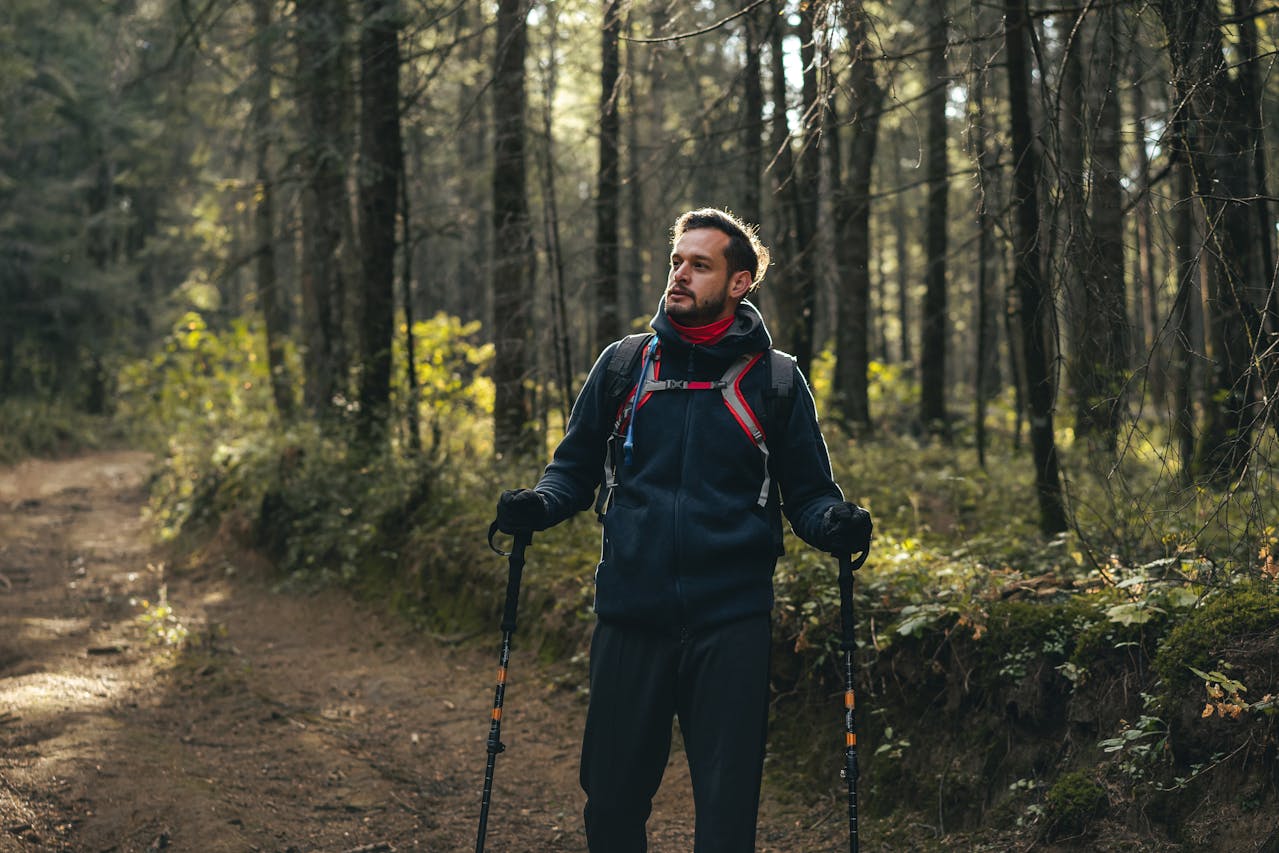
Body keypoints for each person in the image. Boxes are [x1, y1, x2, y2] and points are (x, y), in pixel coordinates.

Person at [495, 207, 871, 852]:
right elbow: (573, 471)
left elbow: (807, 495)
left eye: (700, 265)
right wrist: (538, 505)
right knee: (611, 803)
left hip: (732, 623)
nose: (680, 275)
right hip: (630, 614)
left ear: (739, 282)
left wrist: (835, 524)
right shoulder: (623, 366)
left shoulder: (776, 380)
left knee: (726, 814)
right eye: (677, 261)